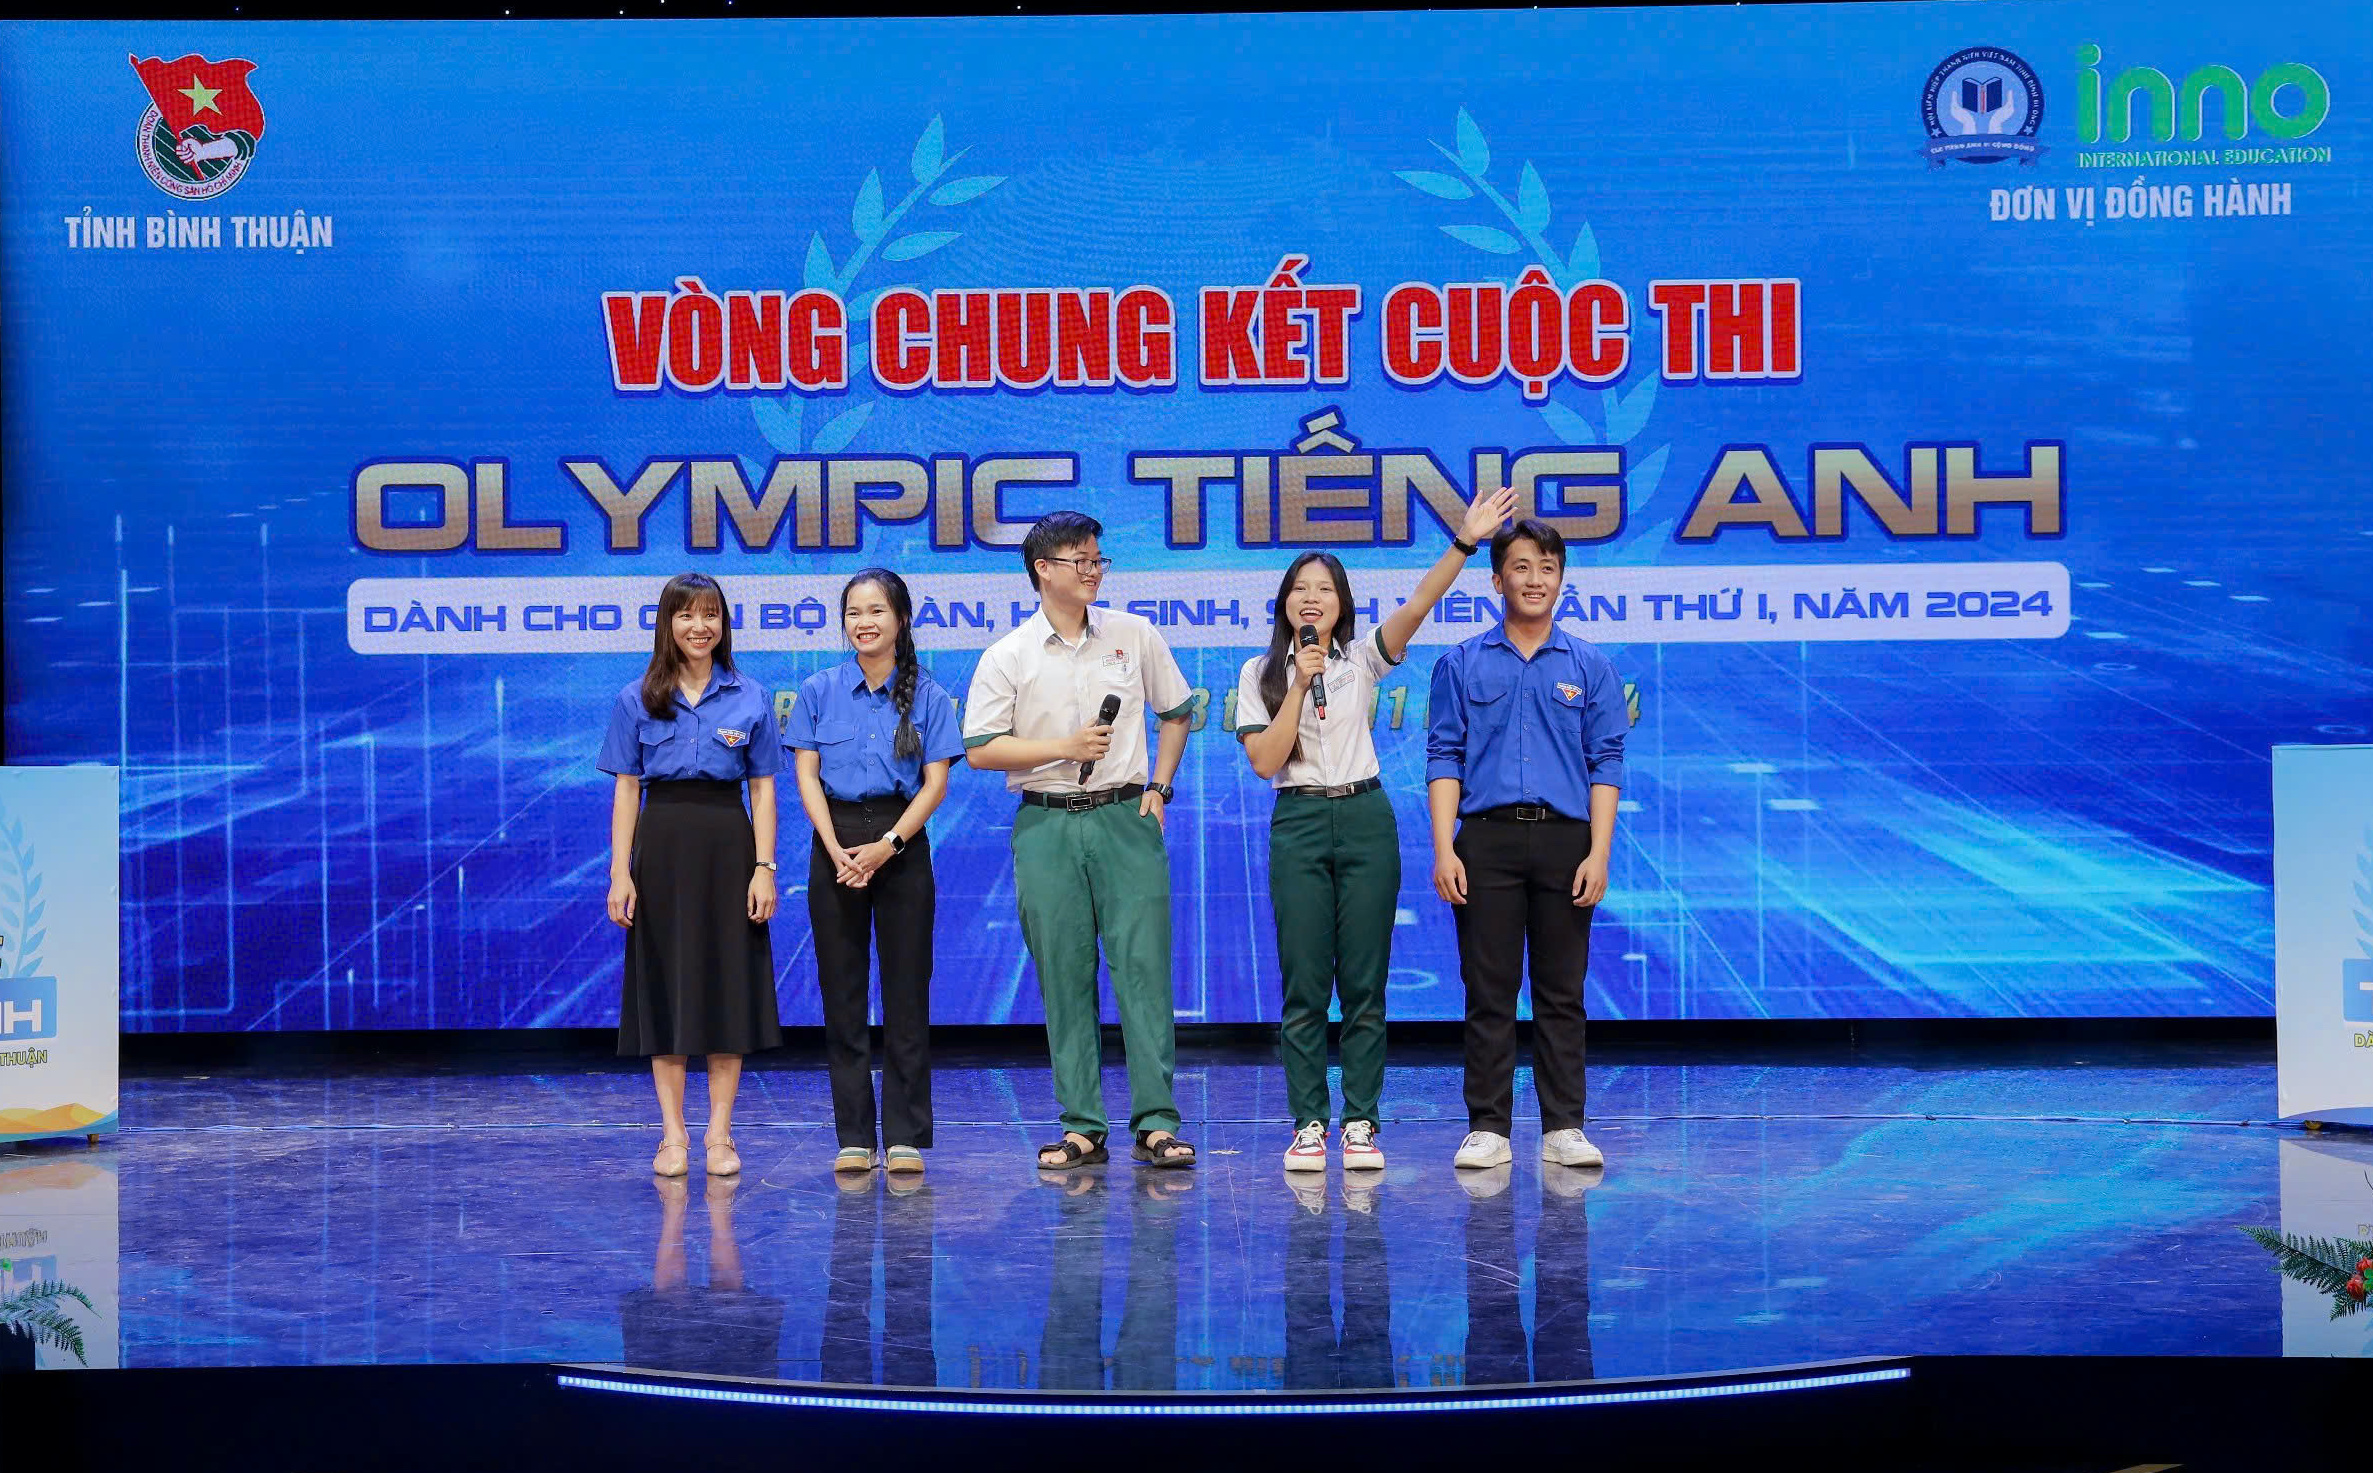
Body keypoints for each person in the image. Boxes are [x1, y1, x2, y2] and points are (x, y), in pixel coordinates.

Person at [1236, 486, 1517, 1173]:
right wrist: (1296, 685)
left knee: (1364, 983)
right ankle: (1309, 1123)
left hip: (1364, 818)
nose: (1311, 599)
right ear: (1284, 603)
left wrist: (1465, 541)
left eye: (1324, 590)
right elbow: (1265, 761)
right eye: (1300, 589)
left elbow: (1418, 604)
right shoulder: (1259, 672)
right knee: (1304, 983)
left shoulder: (1362, 659)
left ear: (1342, 604)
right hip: (1298, 818)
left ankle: (1360, 1121)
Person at [963, 511, 1199, 1171]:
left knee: (1144, 971)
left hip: (1124, 816)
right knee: (1063, 974)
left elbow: (1177, 712)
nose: (1093, 570)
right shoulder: (1009, 654)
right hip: (1045, 823)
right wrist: (1063, 747)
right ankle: (1082, 1126)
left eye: (1098, 559)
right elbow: (981, 748)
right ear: (1043, 569)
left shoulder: (1133, 634)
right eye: (1080, 560)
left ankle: (1156, 1123)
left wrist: (1160, 785)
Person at [1426, 519, 1626, 1171]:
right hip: (1484, 838)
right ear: (1496, 579)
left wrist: (1598, 852)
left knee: (1561, 991)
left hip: (1566, 839)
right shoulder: (1460, 662)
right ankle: (1487, 1127)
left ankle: (1564, 1125)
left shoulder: (1590, 665)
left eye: (1547, 567)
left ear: (1561, 579)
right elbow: (1444, 755)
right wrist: (1444, 848)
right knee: (1488, 989)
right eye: (1520, 566)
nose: (1534, 579)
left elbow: (1606, 761)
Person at [597, 572, 782, 1179]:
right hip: (662, 849)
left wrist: (764, 868)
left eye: (710, 615)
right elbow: (627, 790)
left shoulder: (750, 695)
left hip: (729, 846)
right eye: (686, 615)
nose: (699, 627)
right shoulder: (635, 698)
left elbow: (763, 790)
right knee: (666, 988)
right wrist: (620, 872)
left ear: (723, 624)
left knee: (728, 988)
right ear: (667, 624)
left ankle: (719, 1135)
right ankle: (672, 1136)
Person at [784, 569, 965, 1177]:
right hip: (833, 842)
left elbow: (935, 784)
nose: (864, 622)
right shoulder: (818, 689)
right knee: (843, 996)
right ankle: (854, 1137)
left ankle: (905, 1136)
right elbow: (806, 774)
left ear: (901, 619)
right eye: (854, 612)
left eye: (877, 611)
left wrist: (888, 845)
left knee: (907, 993)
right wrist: (834, 847)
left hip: (901, 842)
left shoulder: (929, 695)